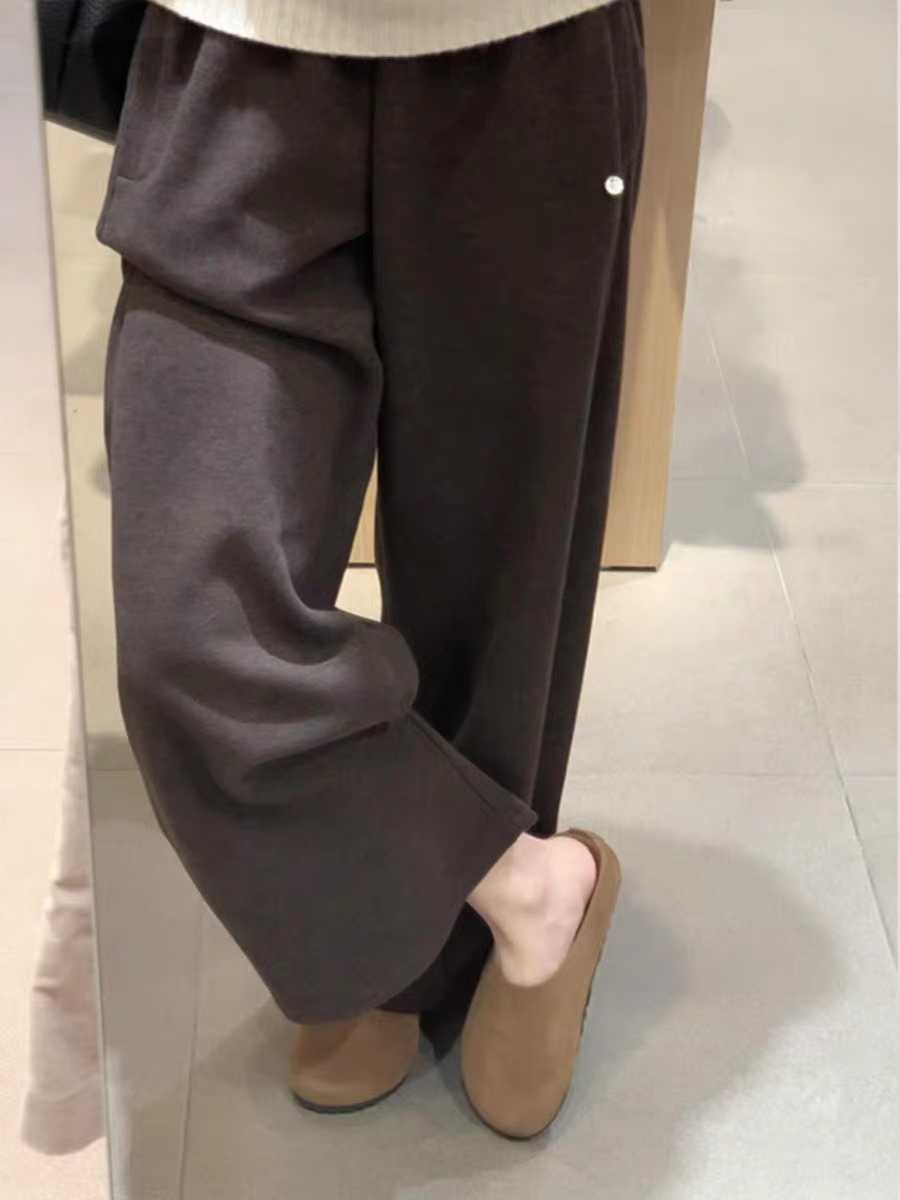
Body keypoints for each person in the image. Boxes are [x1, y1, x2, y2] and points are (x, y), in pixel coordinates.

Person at [94, 0, 647, 1140]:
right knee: (191, 631)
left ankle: (436, 949)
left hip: (523, 51)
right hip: (231, 61)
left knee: (496, 585)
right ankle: (522, 884)